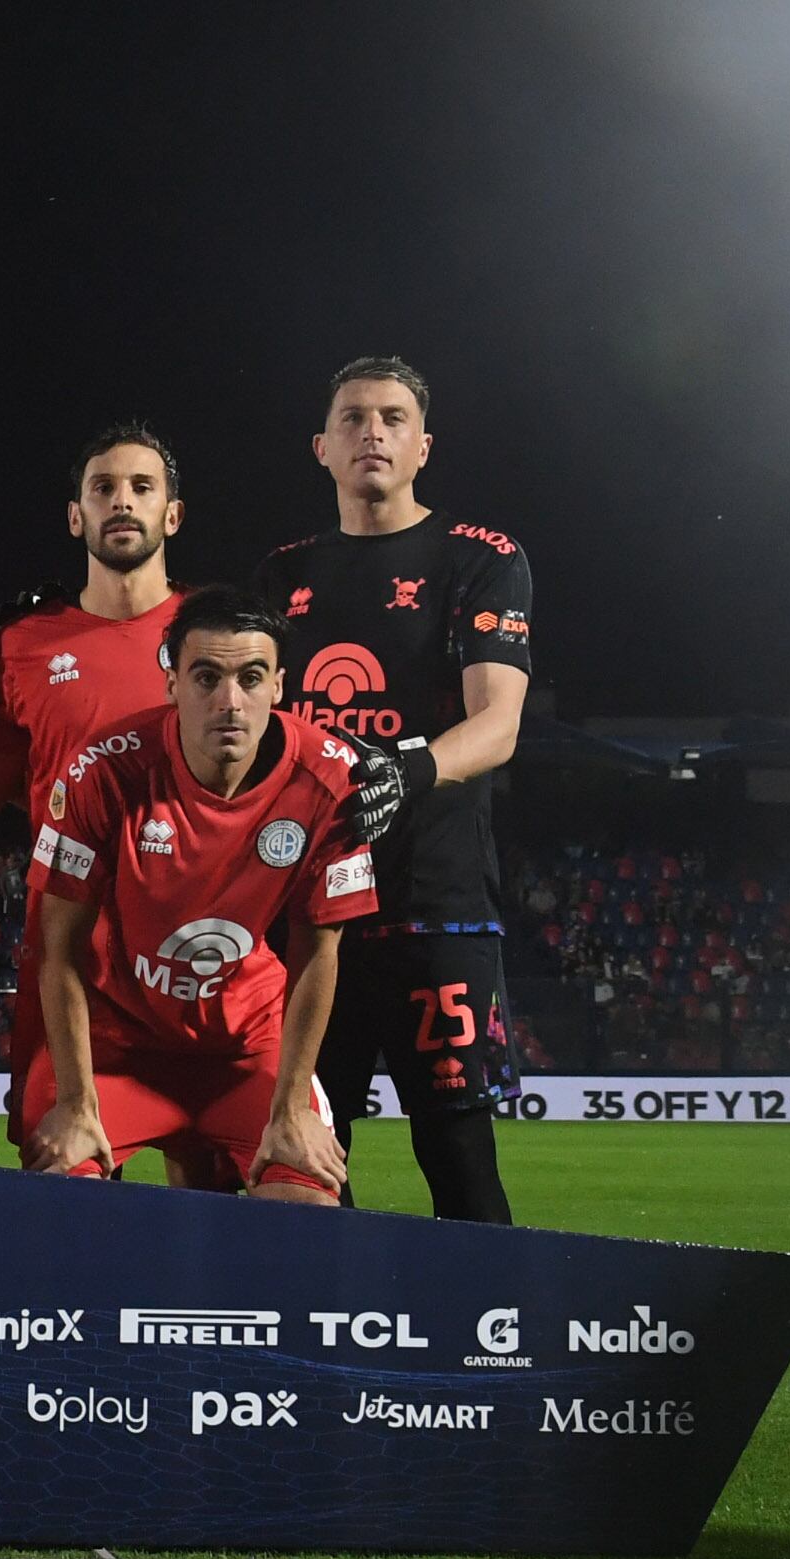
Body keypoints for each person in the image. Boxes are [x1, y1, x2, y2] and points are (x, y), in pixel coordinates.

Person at [255, 356, 531, 1223]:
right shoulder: (279, 574)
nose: (372, 431)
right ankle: (323, 1347)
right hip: (307, 914)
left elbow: (500, 724)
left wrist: (403, 768)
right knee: (303, 1156)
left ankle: (495, 1347)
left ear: (422, 447)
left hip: (433, 904)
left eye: (392, 417)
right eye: (352, 418)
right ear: (321, 447)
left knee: (453, 1146)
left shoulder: (480, 559)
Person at [22, 586, 374, 1201]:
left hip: (245, 1052)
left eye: (251, 678)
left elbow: (320, 953)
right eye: (206, 677)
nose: (229, 703)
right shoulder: (103, 769)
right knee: (61, 1203)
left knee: (309, 1207)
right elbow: (59, 949)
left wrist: (291, 1108)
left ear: (280, 686)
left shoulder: (332, 778)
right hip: (117, 1048)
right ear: (171, 683)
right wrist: (78, 1103)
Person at [0, 424, 191, 1154]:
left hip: (195, 945)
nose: (122, 503)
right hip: (69, 953)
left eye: (141, 488)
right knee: (65, 1177)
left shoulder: (217, 635)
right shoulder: (22, 643)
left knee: (213, 1191)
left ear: (172, 515)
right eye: (103, 489)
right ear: (75, 515)